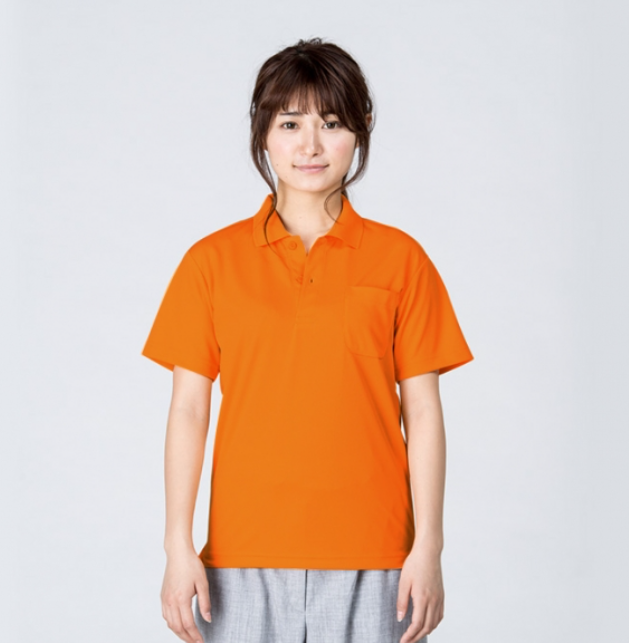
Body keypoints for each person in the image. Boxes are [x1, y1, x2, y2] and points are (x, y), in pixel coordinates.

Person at [141, 37, 474, 643]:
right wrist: (176, 546)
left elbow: (423, 412)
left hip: (378, 559)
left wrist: (429, 547)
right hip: (239, 560)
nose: (310, 145)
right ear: (263, 131)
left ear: (362, 127)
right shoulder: (210, 263)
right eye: (290, 123)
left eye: (332, 123)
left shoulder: (402, 261)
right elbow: (188, 409)